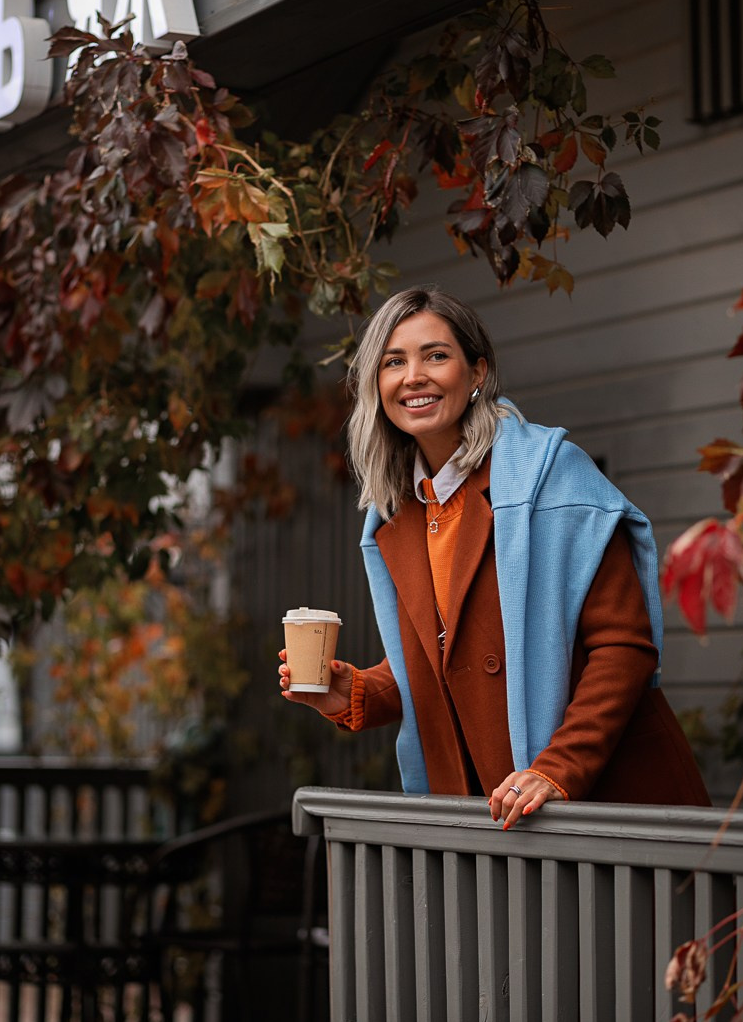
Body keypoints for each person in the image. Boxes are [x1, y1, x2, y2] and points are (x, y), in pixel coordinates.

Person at [278, 287, 711, 826]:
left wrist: (557, 767)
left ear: (477, 371)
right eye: (394, 362)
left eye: (436, 355)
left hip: (607, 802)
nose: (414, 375)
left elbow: (623, 646)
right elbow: (450, 654)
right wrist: (358, 691)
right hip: (488, 814)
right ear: (376, 386)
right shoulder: (398, 511)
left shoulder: (554, 476)